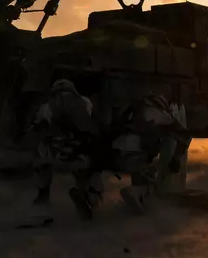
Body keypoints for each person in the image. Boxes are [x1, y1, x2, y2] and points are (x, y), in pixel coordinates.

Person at [29, 78, 104, 220]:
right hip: (78, 151)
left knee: (42, 162)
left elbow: (36, 128)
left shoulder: (47, 106)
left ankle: (42, 198)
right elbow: (92, 125)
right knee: (90, 168)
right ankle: (88, 195)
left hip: (54, 152)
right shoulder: (85, 102)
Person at [106, 93, 191, 214]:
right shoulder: (160, 114)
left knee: (141, 170)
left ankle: (138, 195)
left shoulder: (129, 111)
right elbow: (185, 135)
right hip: (136, 156)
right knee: (157, 177)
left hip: (114, 157)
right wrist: (176, 157)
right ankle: (138, 191)